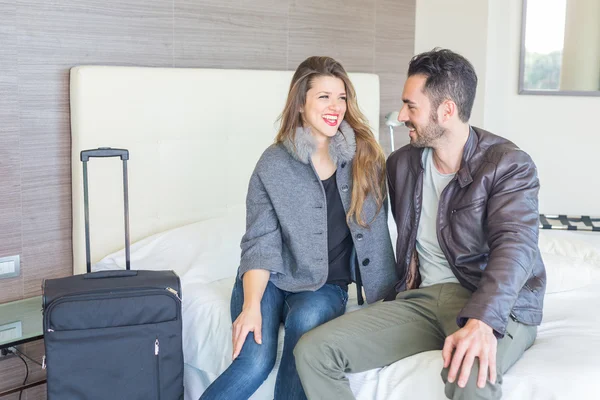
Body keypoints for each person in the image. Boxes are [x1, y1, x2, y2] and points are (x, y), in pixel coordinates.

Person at [294, 48, 546, 400]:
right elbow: (350, 202)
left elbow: (515, 246)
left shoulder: (508, 164)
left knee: (469, 376)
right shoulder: (401, 164)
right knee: (314, 351)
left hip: (490, 300)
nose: (401, 115)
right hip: (422, 300)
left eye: (411, 106)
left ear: (446, 111)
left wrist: (483, 321)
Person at [199, 56, 398, 400]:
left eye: (341, 97)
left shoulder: (365, 158)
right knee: (254, 362)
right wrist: (250, 307)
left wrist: (387, 302)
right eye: (324, 97)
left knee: (306, 320)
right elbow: (261, 243)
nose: (335, 106)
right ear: (301, 103)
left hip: (325, 287)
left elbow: (377, 236)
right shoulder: (273, 163)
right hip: (271, 279)